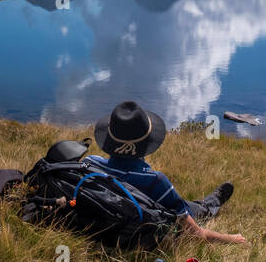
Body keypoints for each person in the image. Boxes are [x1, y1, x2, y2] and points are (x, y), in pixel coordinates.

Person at [88, 100, 247, 245]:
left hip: (104, 219)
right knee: (198, 209)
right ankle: (214, 201)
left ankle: (211, 201)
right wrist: (232, 239)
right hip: (140, 227)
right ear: (146, 143)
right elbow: (195, 234)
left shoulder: (90, 164)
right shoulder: (155, 182)